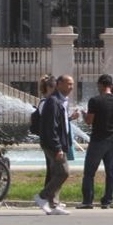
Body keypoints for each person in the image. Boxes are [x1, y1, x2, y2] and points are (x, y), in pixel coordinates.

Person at [76, 74, 113, 209]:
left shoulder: (95, 101)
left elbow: (89, 121)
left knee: (89, 172)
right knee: (111, 172)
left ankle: (87, 201)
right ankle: (107, 201)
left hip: (98, 139)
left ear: (100, 85)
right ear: (111, 85)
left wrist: (84, 114)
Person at [34, 75, 75, 216]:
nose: (71, 87)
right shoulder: (53, 101)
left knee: (57, 173)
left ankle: (54, 204)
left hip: (59, 143)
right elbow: (51, 127)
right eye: (68, 84)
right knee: (64, 172)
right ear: (59, 84)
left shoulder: (61, 101)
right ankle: (42, 197)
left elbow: (61, 123)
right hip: (52, 144)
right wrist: (57, 147)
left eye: (72, 84)